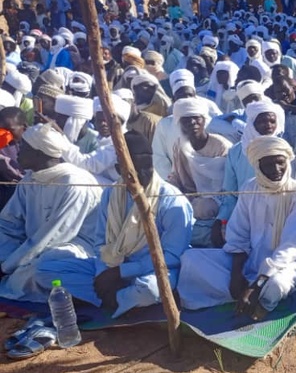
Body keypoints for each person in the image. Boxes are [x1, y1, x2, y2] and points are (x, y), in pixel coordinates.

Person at [38, 131, 193, 318]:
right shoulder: (110, 195)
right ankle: (118, 298)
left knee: (150, 290)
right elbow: (100, 243)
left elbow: (172, 256)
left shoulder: (173, 201)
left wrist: (122, 272)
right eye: (135, 170)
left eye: (148, 167)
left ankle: (109, 299)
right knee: (44, 269)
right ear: (120, 169)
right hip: (113, 267)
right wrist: (105, 272)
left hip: (153, 271)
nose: (143, 175)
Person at [178, 136, 296, 319]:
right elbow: (239, 234)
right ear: (258, 165)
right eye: (268, 165)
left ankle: (253, 297)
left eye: (280, 163)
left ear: (287, 162)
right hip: (252, 258)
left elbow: (291, 246)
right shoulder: (250, 187)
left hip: (291, 262)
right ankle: (244, 294)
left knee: (276, 286)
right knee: (191, 258)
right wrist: (236, 275)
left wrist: (258, 283)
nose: (276, 170)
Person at [0, 124, 101, 302]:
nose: (17, 151)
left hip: (75, 246)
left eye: (24, 147)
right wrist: (5, 256)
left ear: (39, 153)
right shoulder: (31, 178)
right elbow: (9, 223)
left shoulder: (75, 184)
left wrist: (8, 265)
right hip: (33, 246)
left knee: (41, 268)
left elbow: (56, 236)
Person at [214, 100, 286, 246]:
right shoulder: (236, 152)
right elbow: (230, 194)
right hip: (245, 213)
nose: (268, 126)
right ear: (252, 123)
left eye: (272, 121)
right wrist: (222, 220)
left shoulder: (283, 150)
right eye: (262, 121)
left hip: (278, 212)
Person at [169, 98, 232, 247]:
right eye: (186, 119)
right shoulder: (179, 145)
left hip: (216, 199)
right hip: (190, 196)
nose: (192, 123)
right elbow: (177, 176)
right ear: (179, 123)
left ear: (204, 120)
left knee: (205, 208)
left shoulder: (220, 145)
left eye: (196, 118)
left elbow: (224, 184)